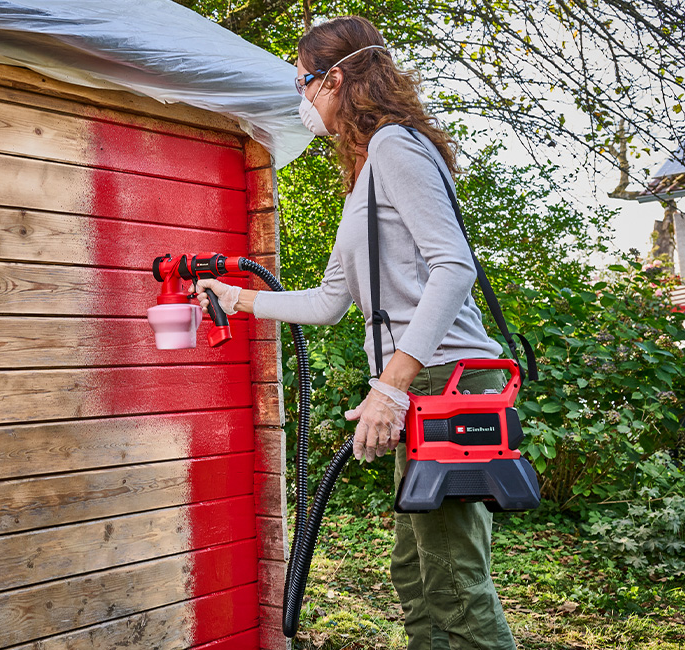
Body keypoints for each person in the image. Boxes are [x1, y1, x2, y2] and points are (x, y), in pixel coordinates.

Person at [195, 15, 518, 650]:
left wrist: (391, 388)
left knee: (452, 579)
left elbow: (455, 268)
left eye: (304, 83)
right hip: (423, 382)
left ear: (336, 78)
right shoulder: (370, 170)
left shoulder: (398, 145)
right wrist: (239, 299)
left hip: (447, 380)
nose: (302, 99)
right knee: (415, 570)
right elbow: (330, 301)